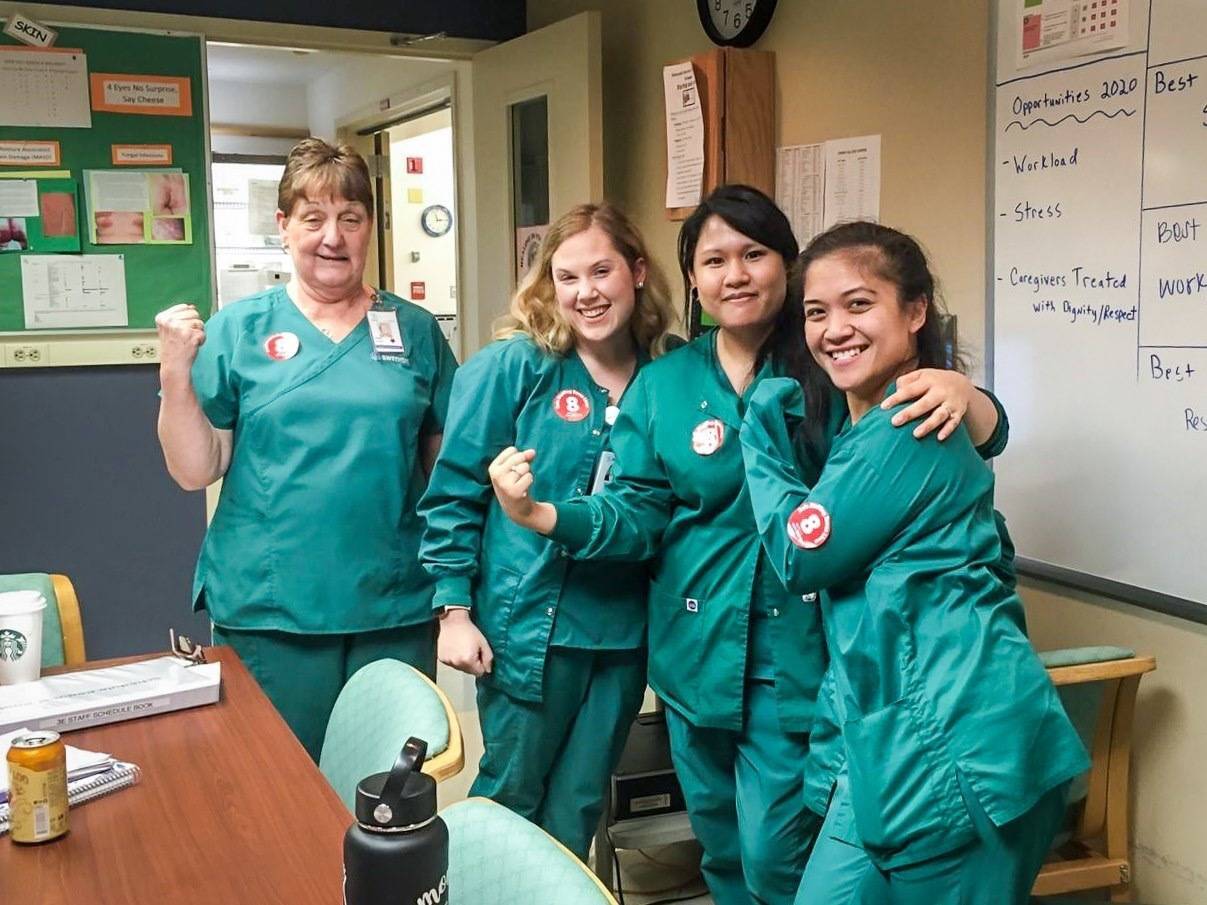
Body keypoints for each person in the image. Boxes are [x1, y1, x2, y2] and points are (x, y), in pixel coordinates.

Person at [488, 185, 1007, 905]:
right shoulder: (664, 382)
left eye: (754, 254)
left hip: (800, 657)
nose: (734, 274)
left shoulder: (829, 364)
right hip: (692, 654)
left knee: (777, 857)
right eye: (713, 259)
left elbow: (928, 433)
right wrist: (547, 515)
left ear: (786, 267)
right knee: (723, 851)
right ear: (691, 279)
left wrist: (972, 395)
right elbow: (639, 511)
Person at [738, 220, 1089, 904]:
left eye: (858, 303)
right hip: (887, 751)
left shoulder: (906, 426)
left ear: (915, 310)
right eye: (815, 312)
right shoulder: (864, 426)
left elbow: (796, 553)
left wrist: (756, 433)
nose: (833, 327)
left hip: (955, 757)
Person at [155, 138, 457, 761]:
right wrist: (174, 377)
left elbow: (446, 471)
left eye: (351, 218)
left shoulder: (416, 331)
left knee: (387, 794)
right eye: (314, 218)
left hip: (391, 607)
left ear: (371, 226)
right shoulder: (239, 330)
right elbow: (195, 470)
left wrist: (458, 593)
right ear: (283, 225)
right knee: (278, 786)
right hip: (273, 610)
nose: (333, 237)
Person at [418, 203, 677, 860]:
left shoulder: (668, 374)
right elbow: (452, 492)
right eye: (567, 277)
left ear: (638, 272)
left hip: (621, 634)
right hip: (525, 627)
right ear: (548, 286)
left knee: (581, 803)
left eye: (601, 270)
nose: (585, 292)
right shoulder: (514, 367)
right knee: (511, 796)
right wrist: (452, 609)